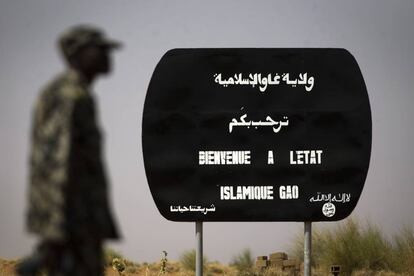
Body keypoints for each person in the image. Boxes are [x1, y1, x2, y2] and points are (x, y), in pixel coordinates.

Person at [17, 25, 122, 276]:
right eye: (100, 50)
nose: (108, 56)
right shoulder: (69, 95)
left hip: (79, 225)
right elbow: (56, 164)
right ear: (78, 54)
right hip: (71, 229)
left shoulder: (75, 93)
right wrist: (54, 237)